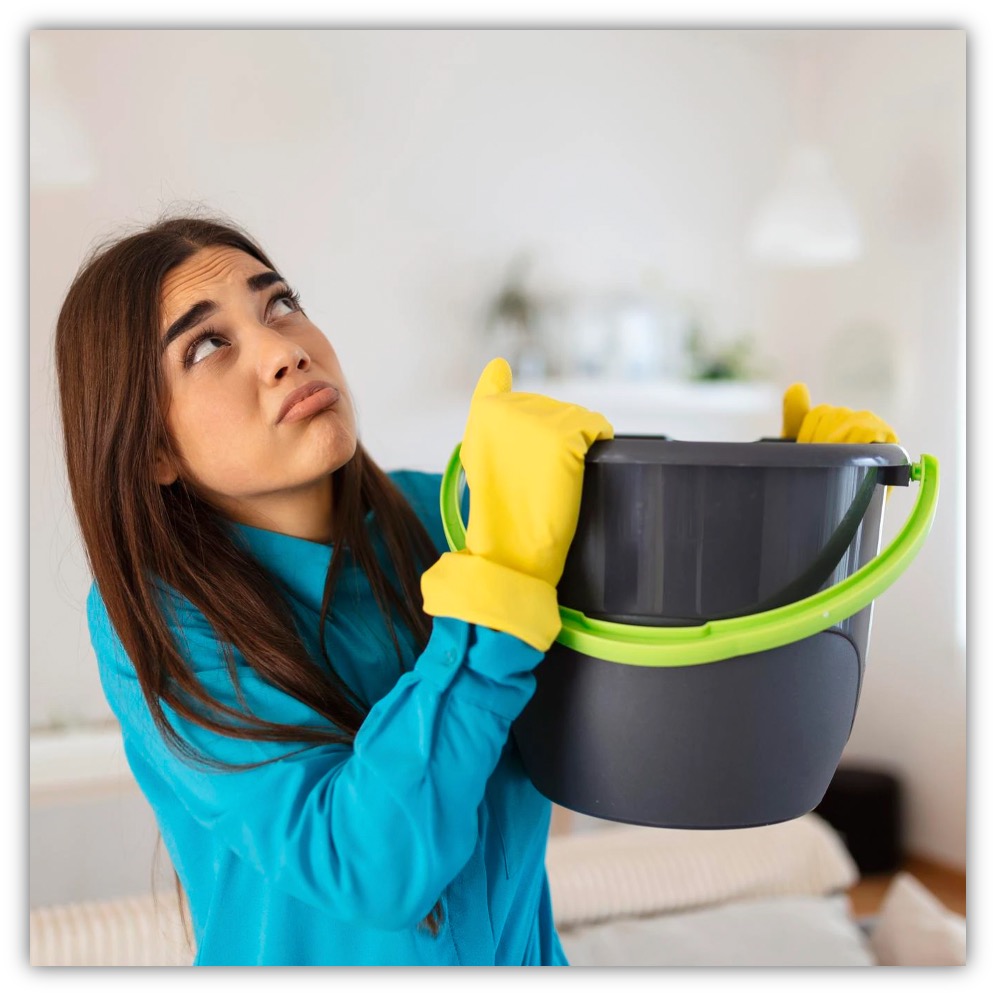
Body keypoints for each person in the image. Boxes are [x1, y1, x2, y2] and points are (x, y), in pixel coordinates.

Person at [53, 211, 898, 967]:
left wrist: (800, 509)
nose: (285, 348)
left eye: (279, 304)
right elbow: (369, 868)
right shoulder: (155, 622)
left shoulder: (449, 513)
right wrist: (496, 584)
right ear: (150, 450)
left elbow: (659, 701)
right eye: (208, 345)